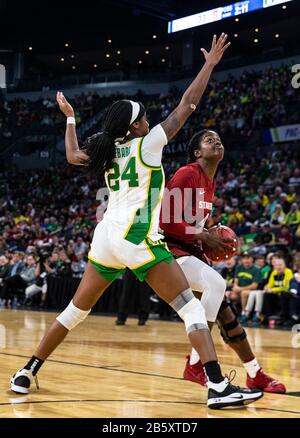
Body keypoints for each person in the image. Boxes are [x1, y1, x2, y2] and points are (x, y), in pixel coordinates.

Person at [10, 34, 263, 409]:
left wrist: (71, 120)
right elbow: (188, 104)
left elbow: (73, 155)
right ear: (135, 127)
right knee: (191, 309)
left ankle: (27, 371)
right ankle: (217, 387)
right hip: (137, 236)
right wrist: (208, 64)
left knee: (75, 312)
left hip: (106, 238)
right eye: (144, 117)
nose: (149, 119)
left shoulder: (107, 151)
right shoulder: (148, 145)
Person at [159, 129, 285, 393]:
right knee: (216, 286)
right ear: (196, 152)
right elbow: (167, 221)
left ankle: (254, 373)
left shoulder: (209, 181)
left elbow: (192, 226)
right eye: (208, 140)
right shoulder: (187, 174)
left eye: (218, 138)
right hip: (166, 252)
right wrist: (205, 235)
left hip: (189, 252)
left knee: (228, 317)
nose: (216, 141)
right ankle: (195, 364)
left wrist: (206, 242)